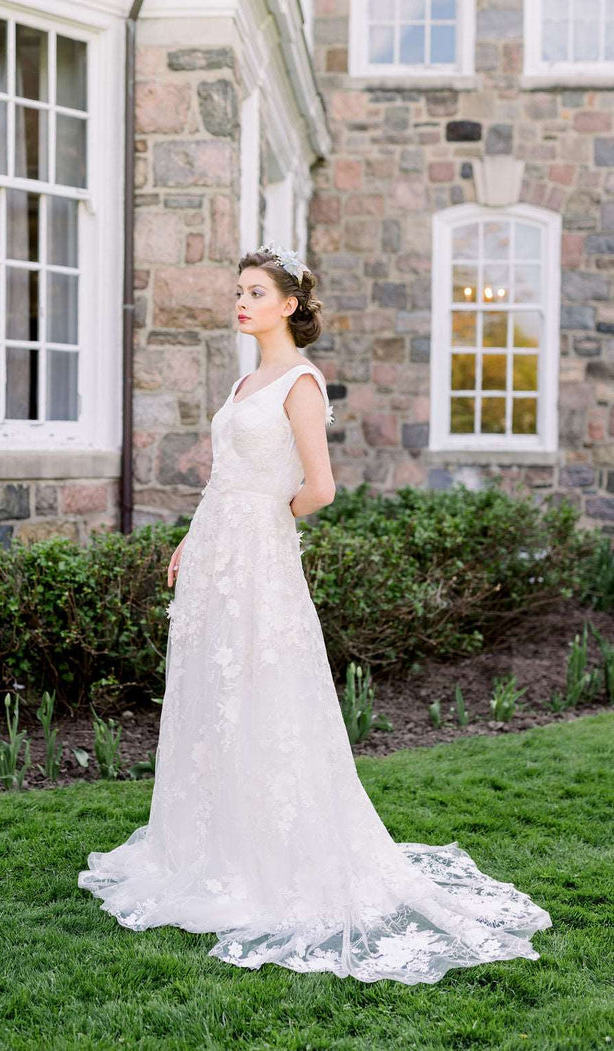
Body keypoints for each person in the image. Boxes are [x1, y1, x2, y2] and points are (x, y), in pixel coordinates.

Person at [78, 242, 552, 984]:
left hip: (261, 562)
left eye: (256, 292)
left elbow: (320, 487)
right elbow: (222, 477)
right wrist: (194, 540)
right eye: (238, 290)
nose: (242, 302)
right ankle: (212, 842)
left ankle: (276, 851)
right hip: (215, 560)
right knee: (215, 697)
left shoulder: (299, 381)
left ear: (289, 304)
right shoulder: (244, 380)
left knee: (265, 693)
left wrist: (262, 526)